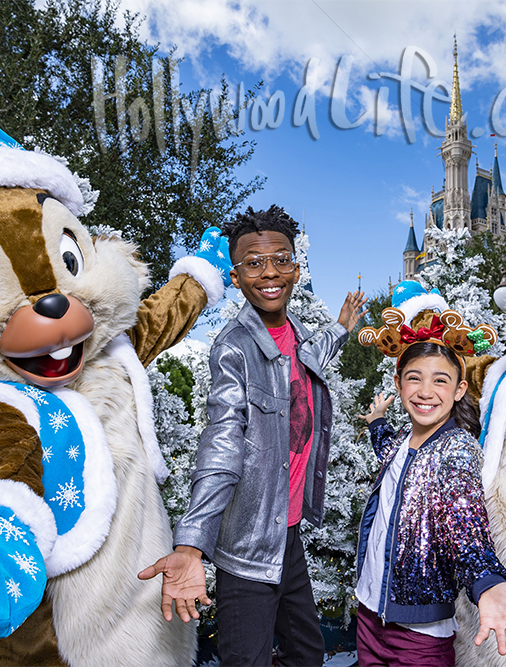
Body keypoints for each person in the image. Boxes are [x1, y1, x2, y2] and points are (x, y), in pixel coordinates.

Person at [139, 205, 367, 666]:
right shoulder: (234, 347)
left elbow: (311, 355)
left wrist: (342, 329)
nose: (270, 272)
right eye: (254, 263)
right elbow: (222, 441)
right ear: (237, 277)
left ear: (296, 269)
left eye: (281, 260)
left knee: (307, 652)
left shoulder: (298, 335)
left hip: (288, 535)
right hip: (246, 547)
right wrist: (190, 543)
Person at [355, 338, 506, 666]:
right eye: (414, 378)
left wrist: (487, 582)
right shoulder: (402, 442)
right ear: (398, 383)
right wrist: (377, 420)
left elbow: (465, 521)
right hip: (367, 614)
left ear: (459, 390)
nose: (425, 391)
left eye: (439, 380)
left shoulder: (456, 450)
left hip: (419, 635)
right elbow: (385, 446)